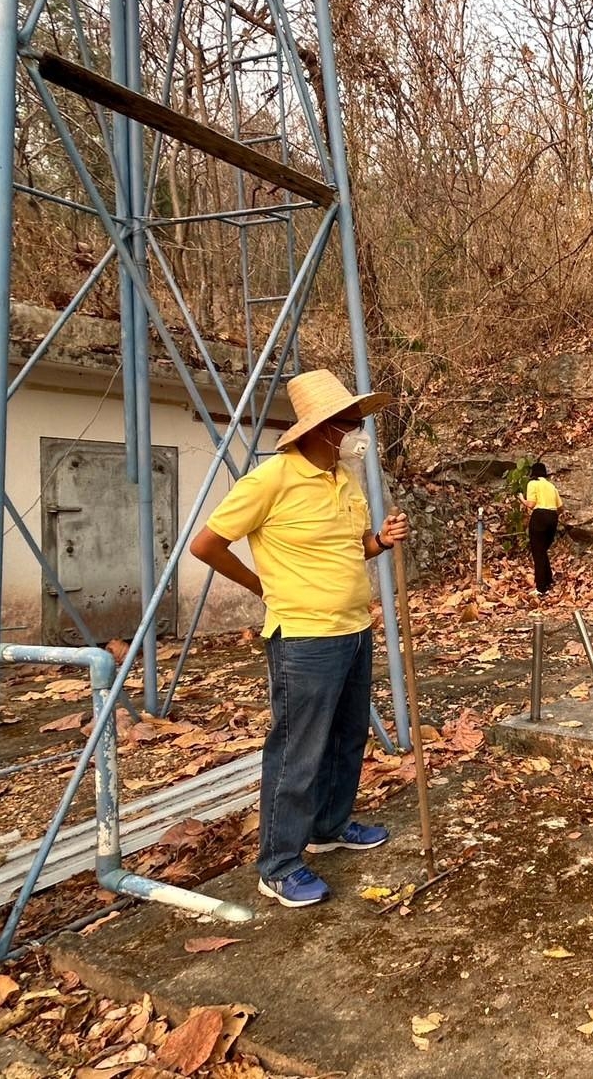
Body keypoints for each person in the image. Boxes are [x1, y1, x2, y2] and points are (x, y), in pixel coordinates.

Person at [189, 369, 409, 908]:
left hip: (354, 628)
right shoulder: (270, 480)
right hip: (304, 639)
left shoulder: (345, 478)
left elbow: (350, 546)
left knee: (346, 737)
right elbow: (206, 545)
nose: (356, 433)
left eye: (356, 422)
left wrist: (380, 541)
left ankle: (329, 826)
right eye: (347, 423)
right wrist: (260, 585)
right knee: (298, 751)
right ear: (317, 429)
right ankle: (279, 863)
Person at [520, 461, 562, 595]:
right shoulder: (551, 486)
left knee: (538, 552)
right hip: (553, 517)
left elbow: (531, 504)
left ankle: (541, 588)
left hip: (539, 516)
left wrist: (521, 499)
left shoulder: (533, 483)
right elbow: (560, 507)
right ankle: (548, 579)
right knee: (543, 550)